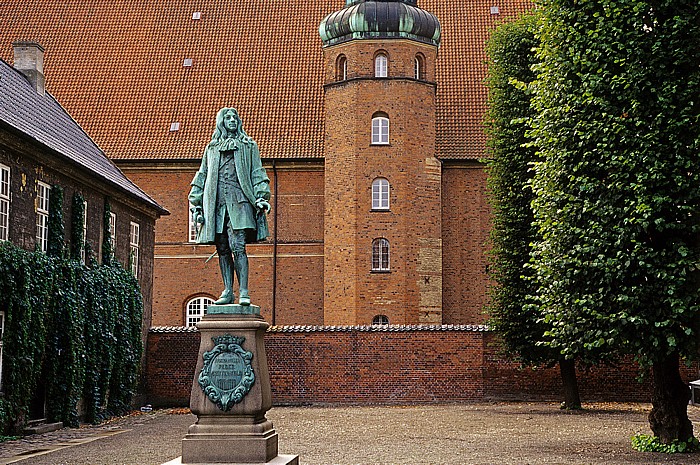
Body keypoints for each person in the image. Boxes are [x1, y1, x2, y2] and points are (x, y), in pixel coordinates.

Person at [189, 108, 271, 306]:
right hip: (216, 205)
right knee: (223, 248)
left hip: (240, 202)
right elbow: (202, 174)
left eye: (235, 117)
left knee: (238, 246)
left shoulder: (248, 145)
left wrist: (261, 196)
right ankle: (228, 290)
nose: (232, 120)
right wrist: (196, 200)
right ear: (221, 122)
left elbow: (257, 172)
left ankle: (243, 291)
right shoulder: (211, 148)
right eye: (228, 118)